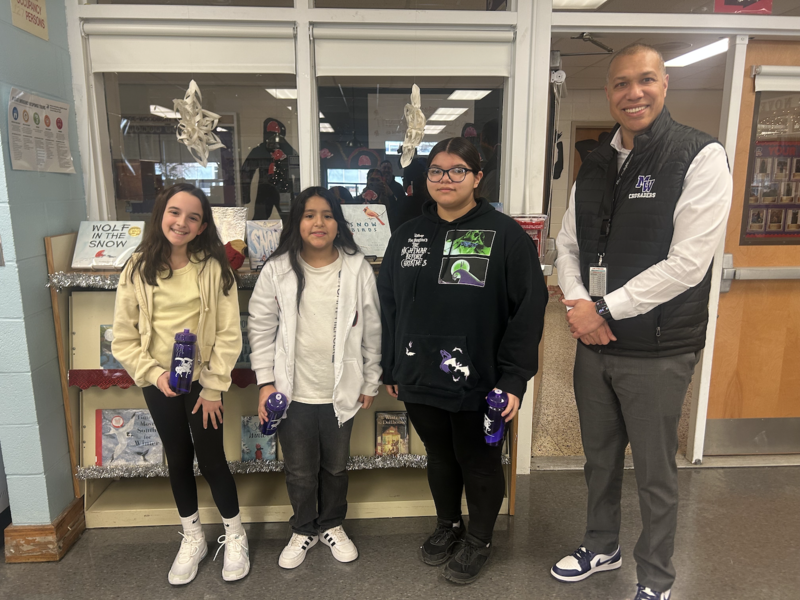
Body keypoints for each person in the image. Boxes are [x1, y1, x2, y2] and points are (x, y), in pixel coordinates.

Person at [552, 44, 732, 600]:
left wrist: (603, 309)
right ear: (608, 92)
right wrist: (584, 311)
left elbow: (687, 265)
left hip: (656, 349)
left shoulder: (700, 156)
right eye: (622, 84)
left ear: (665, 84)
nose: (634, 93)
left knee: (656, 475)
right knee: (599, 460)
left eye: (646, 80)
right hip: (596, 347)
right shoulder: (597, 163)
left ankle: (655, 578)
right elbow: (567, 244)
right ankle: (601, 544)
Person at [378, 137, 547, 584]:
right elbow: (388, 304)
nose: (445, 179)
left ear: (477, 177)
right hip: (417, 373)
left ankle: (479, 538)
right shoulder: (407, 235)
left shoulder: (506, 236)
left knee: (479, 461)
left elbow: (528, 310)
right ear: (425, 178)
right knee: (439, 456)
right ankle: (447, 526)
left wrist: (514, 380)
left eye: (457, 170)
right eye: (436, 170)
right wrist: (389, 365)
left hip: (481, 380)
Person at [112, 183, 248, 585]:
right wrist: (154, 375)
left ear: (203, 224)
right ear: (160, 215)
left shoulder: (215, 268)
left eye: (192, 217)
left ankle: (234, 533)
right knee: (177, 457)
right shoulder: (137, 268)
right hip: (159, 381)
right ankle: (192, 536)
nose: (182, 222)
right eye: (175, 212)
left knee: (210, 459)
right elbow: (123, 337)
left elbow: (228, 334)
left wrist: (212, 388)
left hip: (203, 384)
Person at [247, 187, 382, 570]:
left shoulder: (356, 268)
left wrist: (370, 379)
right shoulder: (278, 269)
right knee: (301, 470)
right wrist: (265, 383)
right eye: (309, 215)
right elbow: (260, 327)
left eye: (326, 214)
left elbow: (373, 328)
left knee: (336, 467)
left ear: (338, 223)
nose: (318, 223)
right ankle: (303, 527)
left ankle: (332, 524)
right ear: (297, 222)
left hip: (341, 390)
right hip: (292, 394)